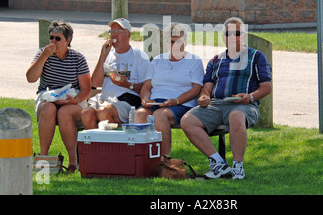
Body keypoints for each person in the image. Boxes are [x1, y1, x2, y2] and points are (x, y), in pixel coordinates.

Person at [181, 17, 272, 180]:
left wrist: (250, 96)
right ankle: (218, 163)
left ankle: (238, 166)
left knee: (236, 116)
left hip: (244, 105)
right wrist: (203, 97)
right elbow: (207, 87)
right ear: (223, 37)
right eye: (228, 34)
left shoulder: (257, 57)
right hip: (216, 104)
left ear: (244, 36)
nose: (232, 37)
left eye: (237, 33)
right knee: (187, 120)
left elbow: (266, 87)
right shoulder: (215, 60)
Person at [26, 21, 91, 173]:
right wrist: (44, 56)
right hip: (48, 97)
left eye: (58, 38)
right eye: (51, 38)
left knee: (64, 112)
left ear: (68, 41)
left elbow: (86, 89)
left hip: (72, 99)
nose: (53, 42)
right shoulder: (43, 53)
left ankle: (73, 162)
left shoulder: (77, 58)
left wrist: (75, 100)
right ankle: (43, 158)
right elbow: (30, 78)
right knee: (48, 109)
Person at [136, 23, 204, 156]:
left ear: (185, 42)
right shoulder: (157, 60)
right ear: (167, 42)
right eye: (172, 42)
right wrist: (144, 99)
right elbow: (147, 86)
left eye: (180, 41)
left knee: (160, 115)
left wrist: (176, 101)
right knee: (139, 114)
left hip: (181, 104)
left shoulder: (194, 61)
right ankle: (143, 158)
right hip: (155, 103)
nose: (176, 45)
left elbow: (196, 89)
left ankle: (164, 160)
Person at [81, 18, 150, 128]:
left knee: (103, 112)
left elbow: (147, 87)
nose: (114, 35)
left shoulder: (139, 56)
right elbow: (95, 83)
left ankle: (114, 144)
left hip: (128, 101)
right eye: (112, 32)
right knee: (86, 114)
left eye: (119, 32)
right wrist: (102, 56)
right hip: (105, 99)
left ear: (129, 35)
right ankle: (97, 145)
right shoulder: (108, 54)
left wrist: (127, 84)